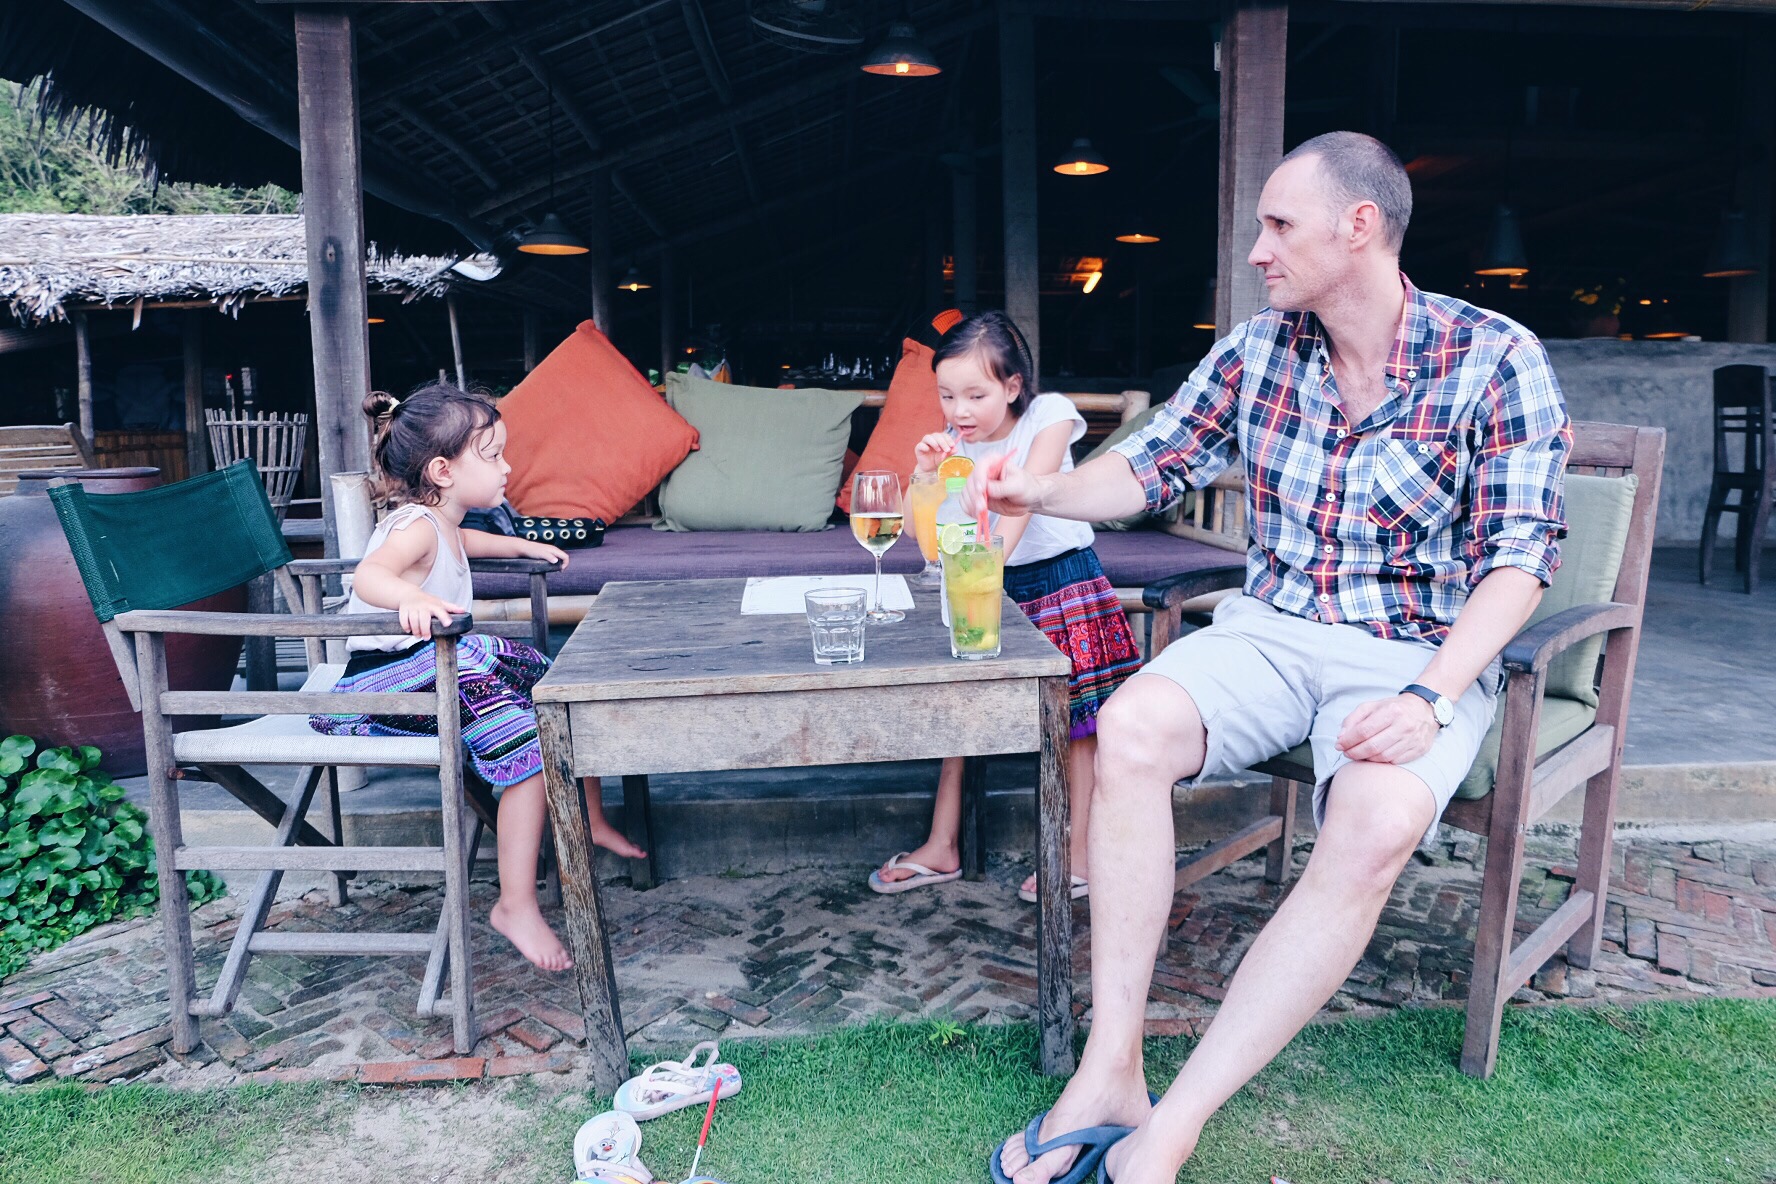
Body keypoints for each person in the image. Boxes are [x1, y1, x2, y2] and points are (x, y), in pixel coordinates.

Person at [974, 132, 1570, 1184]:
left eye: (1279, 225)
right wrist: (1043, 490)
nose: (1257, 250)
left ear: (1360, 226)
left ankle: (1174, 1124)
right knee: (1130, 725)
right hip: (1273, 628)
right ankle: (1111, 1071)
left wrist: (1433, 696)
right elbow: (1152, 464)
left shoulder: (1495, 357)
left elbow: (1521, 561)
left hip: (1415, 651)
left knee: (1377, 821)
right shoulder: (1260, 349)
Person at [309, 382, 646, 972]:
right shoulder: (413, 525)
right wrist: (409, 598)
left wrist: (520, 547)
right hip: (385, 684)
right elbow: (369, 575)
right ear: (442, 471)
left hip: (437, 666)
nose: (506, 467)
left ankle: (589, 818)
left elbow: (466, 539)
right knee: (523, 736)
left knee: (550, 684)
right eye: (492, 456)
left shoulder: (445, 522)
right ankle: (515, 904)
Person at [869, 311, 1143, 902]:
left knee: (1077, 726)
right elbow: (919, 536)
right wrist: (924, 474)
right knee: (961, 710)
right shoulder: (951, 445)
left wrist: (981, 569)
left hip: (1058, 585)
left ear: (1013, 385)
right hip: (983, 582)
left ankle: (1079, 854)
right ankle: (942, 843)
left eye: (976, 395)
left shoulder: (1049, 417)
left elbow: (1021, 505)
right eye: (947, 395)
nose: (959, 410)